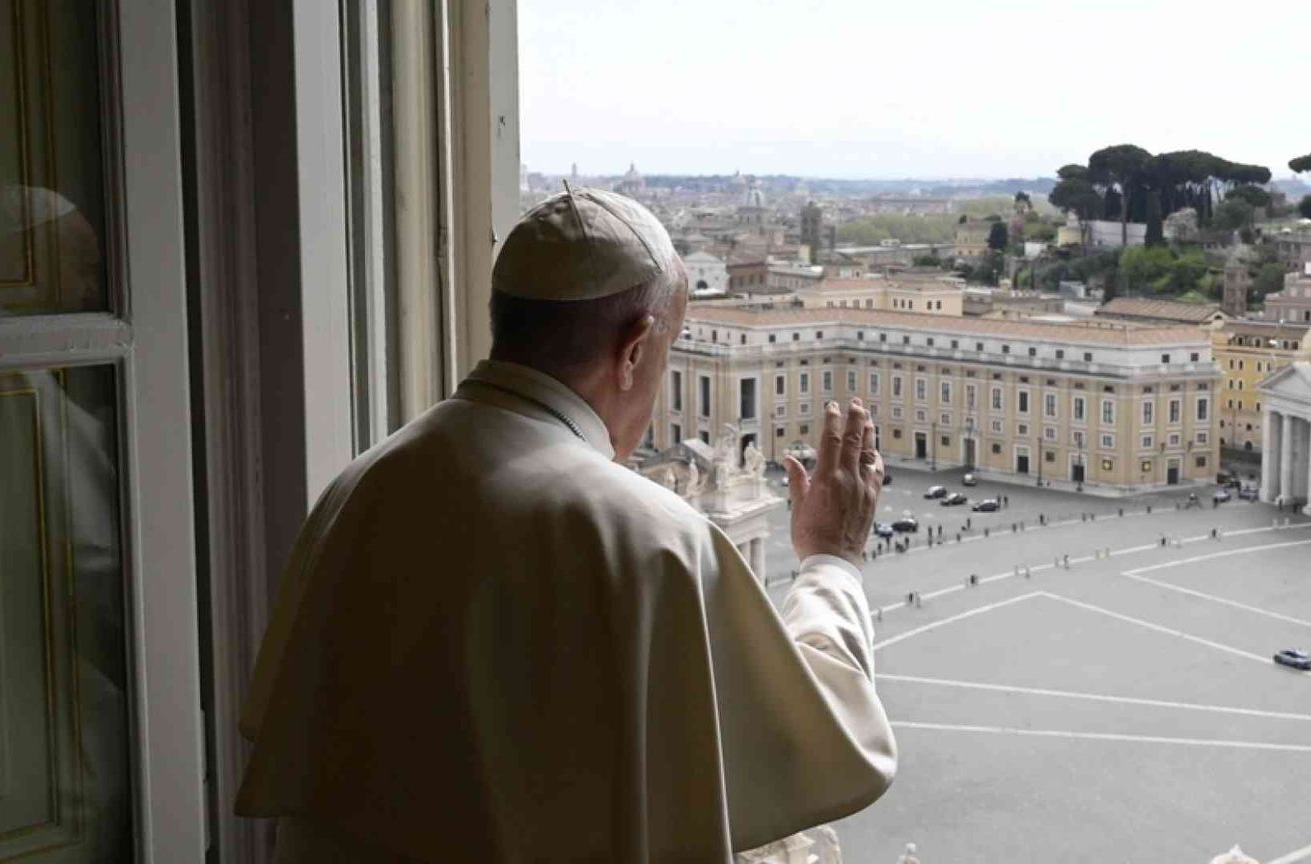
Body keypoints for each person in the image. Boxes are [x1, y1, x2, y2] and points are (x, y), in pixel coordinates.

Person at [236, 188, 897, 861]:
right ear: (634, 350)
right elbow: (824, 738)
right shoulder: (647, 539)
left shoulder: (362, 484)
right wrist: (832, 560)